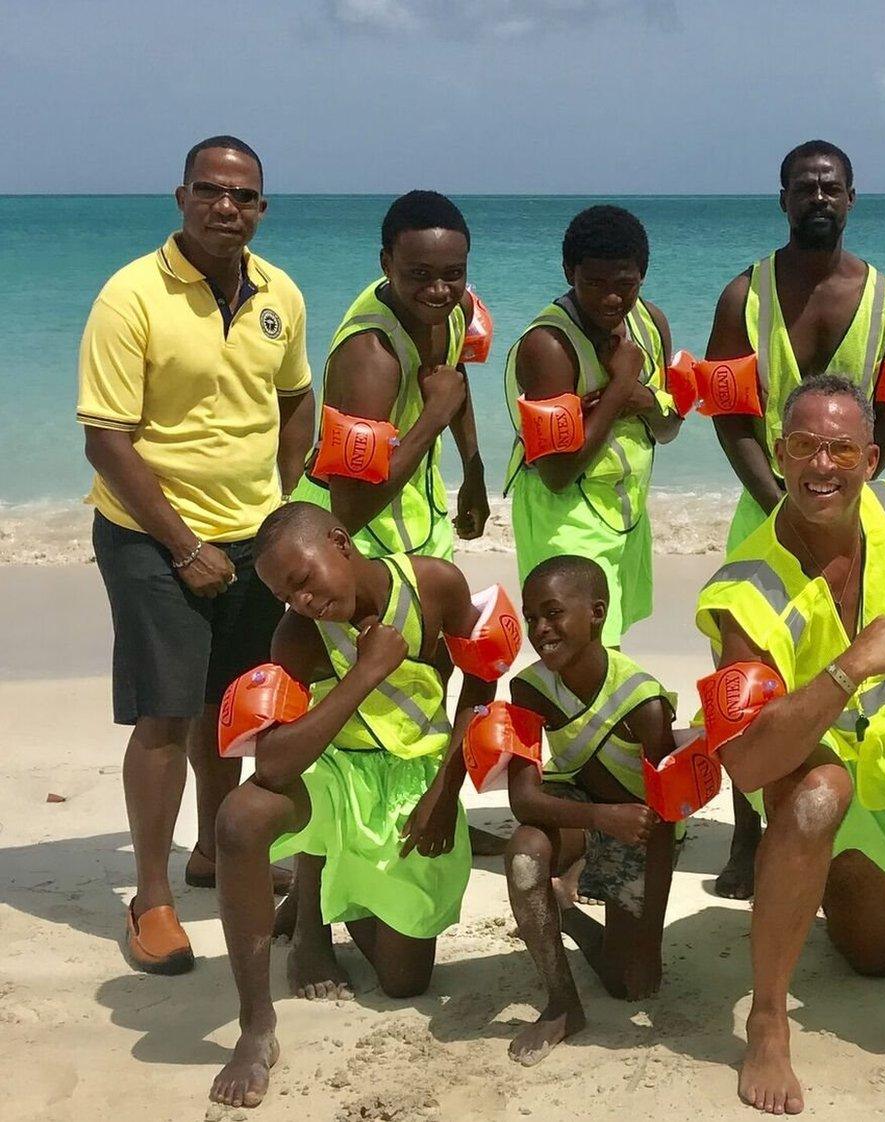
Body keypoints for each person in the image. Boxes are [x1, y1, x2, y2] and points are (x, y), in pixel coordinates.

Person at [78, 135, 314, 974]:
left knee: (235, 712)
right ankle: (152, 897)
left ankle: (217, 855)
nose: (227, 207)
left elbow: (295, 401)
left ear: (262, 207)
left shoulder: (278, 291)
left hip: (253, 539)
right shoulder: (130, 296)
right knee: (166, 716)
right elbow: (106, 439)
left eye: (244, 196)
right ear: (180, 196)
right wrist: (183, 547)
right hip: (151, 537)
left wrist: (282, 513)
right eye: (211, 191)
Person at [695, 376, 885, 1115]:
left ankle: (825, 877)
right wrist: (849, 666)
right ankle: (768, 1019)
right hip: (809, 757)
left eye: (841, 448)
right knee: (813, 800)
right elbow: (744, 761)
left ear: (871, 458)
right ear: (779, 452)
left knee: (877, 961)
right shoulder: (742, 589)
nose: (822, 465)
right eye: (804, 445)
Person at [207, 502, 491, 1109]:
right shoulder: (299, 635)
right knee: (240, 817)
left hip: (416, 781)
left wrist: (447, 791)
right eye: (287, 595)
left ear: (340, 541)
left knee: (404, 982)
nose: (301, 601)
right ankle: (258, 1023)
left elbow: (483, 680)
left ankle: (322, 895)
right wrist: (365, 671)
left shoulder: (435, 584)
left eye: (304, 580)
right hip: (337, 774)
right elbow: (275, 765)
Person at [703, 139, 885, 902]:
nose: (818, 198)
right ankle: (745, 833)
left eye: (831, 187)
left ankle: (852, 808)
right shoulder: (744, 296)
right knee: (749, 673)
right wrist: (778, 498)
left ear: (853, 198)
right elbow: (728, 415)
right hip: (763, 497)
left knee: (851, 655)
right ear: (783, 198)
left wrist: (852, 489)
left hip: (848, 507)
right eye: (804, 187)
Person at [499, 555, 679, 1064]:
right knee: (524, 852)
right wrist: (602, 819)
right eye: (532, 617)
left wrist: (652, 936)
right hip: (585, 813)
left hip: (641, 829)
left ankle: (568, 915)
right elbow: (524, 798)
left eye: (553, 613)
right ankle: (561, 1003)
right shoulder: (528, 689)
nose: (541, 629)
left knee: (633, 984)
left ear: (597, 612)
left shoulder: (643, 703)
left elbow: (664, 822)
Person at [503, 205, 681, 647]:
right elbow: (558, 474)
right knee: (579, 649)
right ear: (569, 272)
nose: (611, 299)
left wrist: (643, 400)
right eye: (594, 284)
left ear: (643, 274)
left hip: (625, 509)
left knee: (608, 647)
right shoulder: (547, 346)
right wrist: (622, 386)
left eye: (625, 285)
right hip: (561, 515)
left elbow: (669, 426)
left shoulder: (652, 323)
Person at [292, 189, 489, 560]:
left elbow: (453, 375)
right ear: (386, 263)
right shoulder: (369, 357)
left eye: (454, 273)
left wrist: (474, 471)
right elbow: (349, 509)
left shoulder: (457, 308)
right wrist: (434, 417)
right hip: (351, 541)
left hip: (419, 519)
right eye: (420, 274)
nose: (438, 290)